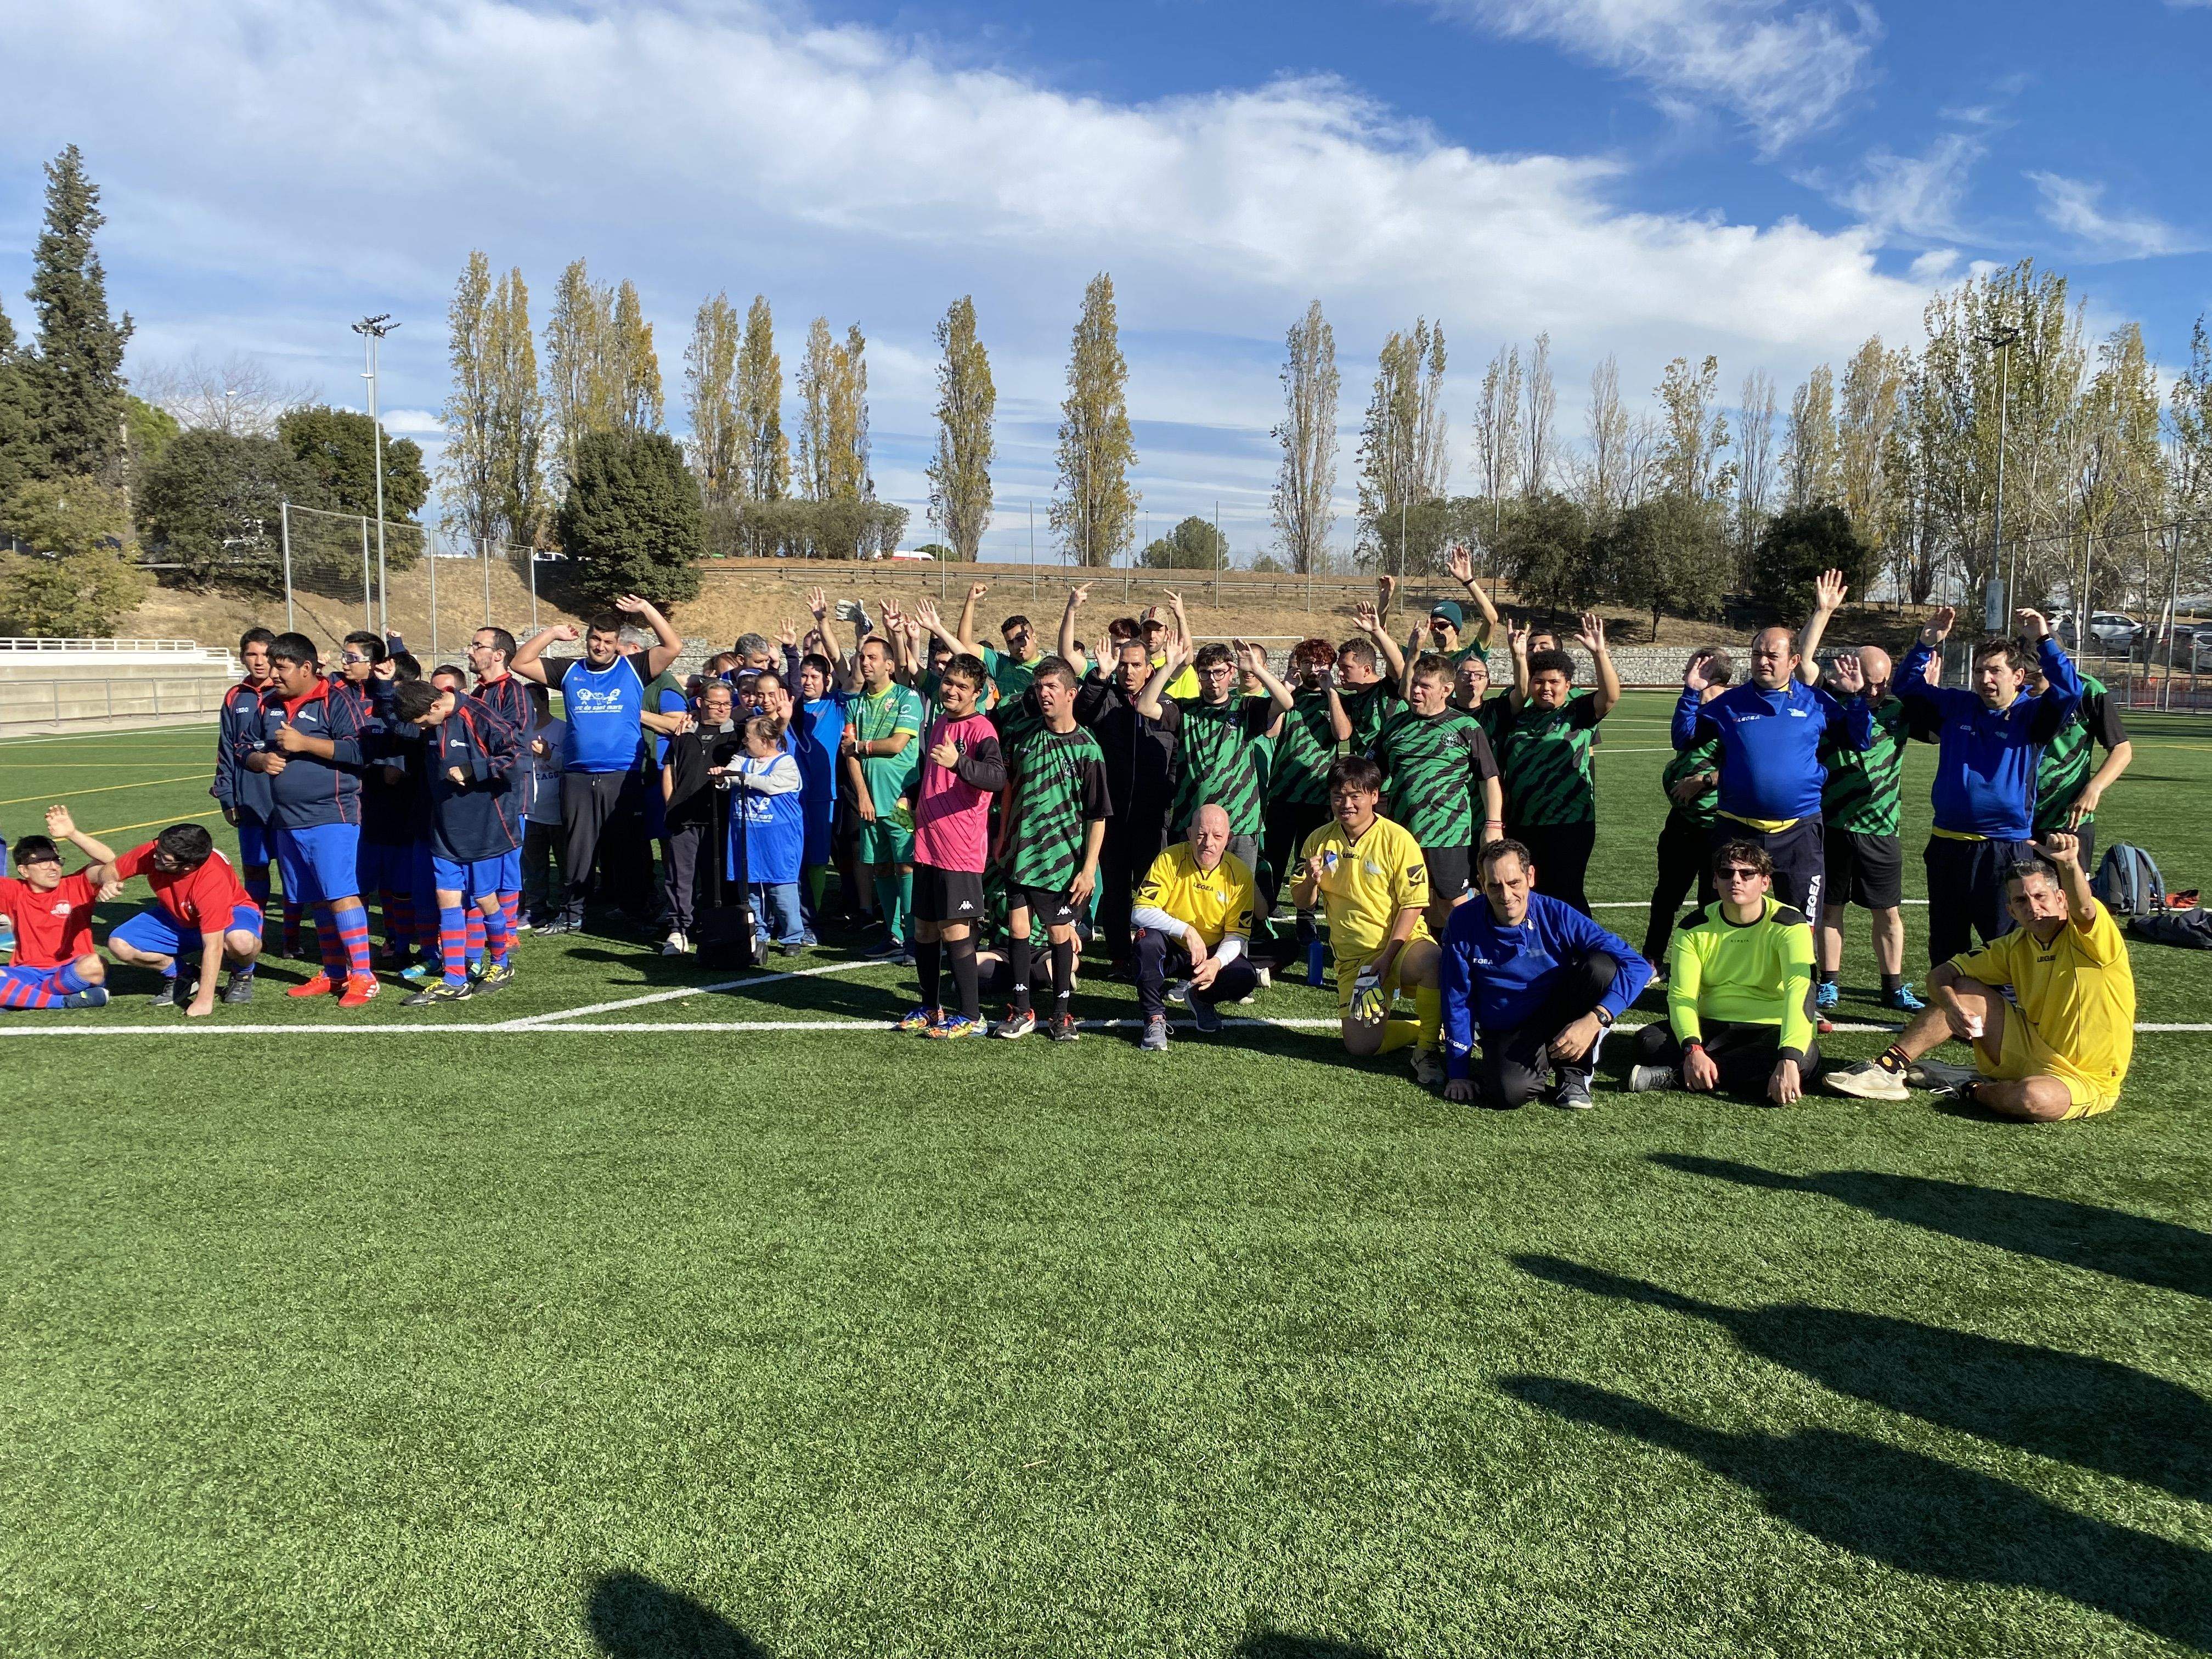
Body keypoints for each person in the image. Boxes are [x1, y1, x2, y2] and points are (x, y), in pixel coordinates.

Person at [1825, 832, 2134, 1120]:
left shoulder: (2089, 936)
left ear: (2061, 899)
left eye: (2041, 896)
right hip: (2028, 1048)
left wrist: (2069, 864)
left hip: (2086, 1077)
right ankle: (1887, 1071)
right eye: (2021, 901)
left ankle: (1970, 1086)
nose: (2033, 908)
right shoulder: (2014, 946)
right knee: (1961, 990)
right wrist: (1952, 1007)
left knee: (2034, 1099)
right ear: (2011, 912)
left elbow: (2086, 909)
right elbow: (1941, 975)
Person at [1894, 605, 2083, 966]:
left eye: (1995, 670)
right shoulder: (1957, 705)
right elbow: (1906, 686)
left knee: (2008, 945)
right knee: (1947, 946)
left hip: (2004, 850)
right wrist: (1925, 643)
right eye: (1979, 671)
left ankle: (2012, 1016)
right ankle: (1950, 1016)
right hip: (1947, 845)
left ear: (2019, 676)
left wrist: (2043, 639)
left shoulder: (2032, 715)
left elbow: (2070, 690)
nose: (1986, 679)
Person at [1671, 603, 1873, 918]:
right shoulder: (1729, 703)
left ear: (1793, 661)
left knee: (1801, 929)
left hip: (1799, 833)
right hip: (1737, 831)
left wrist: (1858, 699)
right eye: (1756, 655)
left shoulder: (1816, 702)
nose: (1763, 662)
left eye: (1772, 656)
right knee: (1728, 922)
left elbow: (1860, 739)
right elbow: (1683, 739)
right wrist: (1691, 693)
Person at [510, 594, 684, 936]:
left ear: (618, 644)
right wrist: (553, 633)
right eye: (595, 639)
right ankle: (572, 913)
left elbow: (673, 645)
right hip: (577, 775)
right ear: (588, 638)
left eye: (608, 641)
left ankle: (635, 911)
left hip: (624, 775)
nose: (600, 646)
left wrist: (646, 609)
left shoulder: (634, 668)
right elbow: (520, 662)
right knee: (578, 848)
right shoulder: (570, 670)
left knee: (628, 849)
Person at [1440, 838, 1650, 1110]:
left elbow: (1638, 965)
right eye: (1494, 885)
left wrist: (1595, 1019)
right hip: (1507, 1030)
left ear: (1530, 877)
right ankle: (1538, 1061)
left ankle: (1575, 1071)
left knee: (1602, 966)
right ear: (1481, 883)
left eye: (1514, 883)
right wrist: (1458, 1072)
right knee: (1508, 1093)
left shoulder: (1557, 914)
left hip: (1559, 1015)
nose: (1506, 895)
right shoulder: (1463, 921)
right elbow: (1457, 996)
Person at [1289, 757, 1446, 1082]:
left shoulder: (1399, 839)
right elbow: (1302, 902)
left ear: (1374, 795)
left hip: (1401, 946)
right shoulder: (1317, 840)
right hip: (1354, 961)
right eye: (1337, 796)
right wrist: (1310, 881)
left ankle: (1428, 1049)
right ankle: (1424, 1028)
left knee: (1434, 961)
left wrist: (1389, 956)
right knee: (1361, 1047)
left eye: (1355, 796)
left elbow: (1414, 903)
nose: (1345, 805)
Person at [1629, 841, 1819, 1107]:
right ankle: (1732, 1072)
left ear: (1765, 882)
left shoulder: (1789, 923)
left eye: (1747, 874)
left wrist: (1789, 1058)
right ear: (1715, 882)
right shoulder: (1694, 927)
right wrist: (1693, 1048)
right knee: (1649, 1041)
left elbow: (1801, 993)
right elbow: (1682, 996)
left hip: (1771, 1027)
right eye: (1727, 874)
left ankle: (1675, 1076)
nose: (1736, 881)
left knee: (1803, 1058)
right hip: (1713, 1025)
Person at [246, 631, 379, 1005]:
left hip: (332, 815)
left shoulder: (336, 700)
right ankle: (336, 973)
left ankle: (364, 976)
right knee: (317, 898)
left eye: (282, 667)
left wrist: (306, 744)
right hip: (287, 819)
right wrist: (260, 760)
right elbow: (246, 747)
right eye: (272, 666)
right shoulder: (269, 704)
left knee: (340, 894)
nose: (273, 674)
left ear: (307, 668)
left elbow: (361, 750)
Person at [990, 657, 1111, 1042]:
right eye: (1039, 687)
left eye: (1052, 688)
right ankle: (1022, 1009)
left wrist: (1089, 868)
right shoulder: (1024, 735)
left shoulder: (1088, 749)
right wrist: (1001, 838)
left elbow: (1097, 816)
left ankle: (1061, 1014)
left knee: (1060, 934)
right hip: (1019, 853)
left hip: (1060, 862)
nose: (1043, 694)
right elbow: (1008, 787)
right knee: (1018, 928)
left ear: (1071, 694)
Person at [389, 676, 523, 1005]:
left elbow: (518, 757)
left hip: (484, 825)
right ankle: (455, 978)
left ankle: (501, 964)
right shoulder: (431, 718)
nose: (422, 730)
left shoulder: (478, 715)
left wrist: (474, 769)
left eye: (423, 722)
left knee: (484, 897)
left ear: (436, 706)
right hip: (444, 826)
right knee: (446, 897)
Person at [898, 653, 1007, 1039]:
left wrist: (959, 761)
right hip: (928, 844)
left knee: (955, 931)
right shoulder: (941, 721)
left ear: (978, 693)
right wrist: (911, 794)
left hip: (959, 849)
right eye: (948, 682)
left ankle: (971, 1015)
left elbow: (996, 778)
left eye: (962, 686)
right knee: (925, 929)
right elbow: (933, 773)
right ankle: (931, 1007)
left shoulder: (982, 730)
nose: (952, 690)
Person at [1364, 651, 1502, 936]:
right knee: (1413, 901)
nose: (1416, 690)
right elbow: (1371, 776)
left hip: (1448, 833)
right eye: (1415, 683)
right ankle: (1432, 955)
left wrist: (1493, 824)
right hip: (1403, 835)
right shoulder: (1395, 725)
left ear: (1446, 690)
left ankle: (1471, 954)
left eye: (1425, 686)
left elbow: (1488, 779)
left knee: (1452, 900)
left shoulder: (1466, 728)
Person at [1496, 614, 1621, 914]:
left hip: (1570, 823)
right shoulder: (1516, 714)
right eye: (1539, 682)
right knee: (1526, 894)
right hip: (1522, 822)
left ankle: (1581, 955)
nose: (1546, 688)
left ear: (1568, 684)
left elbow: (1611, 696)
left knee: (1567, 893)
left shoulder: (1578, 712)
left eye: (1554, 682)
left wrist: (1599, 653)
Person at [75, 817, 263, 1013]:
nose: (155, 856)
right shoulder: (159, 850)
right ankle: (184, 974)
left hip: (232, 912)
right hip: (177, 915)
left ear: (187, 867)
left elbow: (213, 946)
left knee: (241, 942)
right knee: (119, 945)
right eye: (158, 850)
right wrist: (109, 882)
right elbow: (112, 869)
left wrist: (204, 1002)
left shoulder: (212, 883)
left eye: (165, 859)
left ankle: (243, 974)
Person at [1139, 637, 1293, 876]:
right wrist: (1170, 666)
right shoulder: (1185, 710)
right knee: (1190, 898)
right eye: (1205, 673)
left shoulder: (1245, 708)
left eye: (1219, 672)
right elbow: (1145, 706)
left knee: (1239, 899)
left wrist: (1257, 669)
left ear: (1232, 672)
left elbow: (1285, 701)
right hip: (1193, 824)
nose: (1212, 680)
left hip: (1239, 823)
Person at [1130, 804, 1260, 1051]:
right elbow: (1140, 910)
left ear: (1229, 839)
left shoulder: (1240, 873)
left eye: (1218, 836)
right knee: (1146, 941)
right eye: (1201, 835)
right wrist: (1186, 931)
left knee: (1245, 976)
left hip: (1208, 954)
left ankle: (1200, 998)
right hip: (1170, 947)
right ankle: (1154, 1018)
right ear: (1189, 834)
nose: (1208, 843)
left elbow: (1237, 935)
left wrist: (1217, 963)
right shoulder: (1170, 858)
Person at [1642, 651, 1731, 970]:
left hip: (1720, 825)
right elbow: (1682, 739)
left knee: (1715, 900)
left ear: (1706, 670)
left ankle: (1711, 966)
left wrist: (1704, 781)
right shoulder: (1696, 705)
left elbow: (1753, 764)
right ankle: (1652, 960)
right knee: (1667, 895)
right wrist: (1691, 693)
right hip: (1682, 822)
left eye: (1692, 666)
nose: (1684, 671)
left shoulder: (1735, 709)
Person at [841, 634, 927, 961]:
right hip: (869, 803)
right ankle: (892, 935)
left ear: (890, 665)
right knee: (882, 868)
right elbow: (846, 754)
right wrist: (862, 796)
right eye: (863, 657)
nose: (866, 662)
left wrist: (861, 747)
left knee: (907, 864)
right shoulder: (855, 703)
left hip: (901, 801)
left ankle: (914, 937)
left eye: (873, 657)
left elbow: (897, 744)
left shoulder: (907, 699)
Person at [1261, 637, 1344, 971]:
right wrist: (1286, 689)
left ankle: (1306, 919)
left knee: (1312, 861)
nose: (1314, 670)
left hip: (1317, 795)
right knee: (1274, 862)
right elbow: (1270, 732)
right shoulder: (1286, 697)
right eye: (1307, 663)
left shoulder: (1334, 700)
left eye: (1320, 663)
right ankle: (1262, 920)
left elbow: (1342, 735)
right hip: (1281, 793)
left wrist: (1332, 694)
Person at [213, 626, 288, 950]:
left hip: (287, 798)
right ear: (242, 657)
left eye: (265, 654)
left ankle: (292, 936)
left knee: (292, 870)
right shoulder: (235, 696)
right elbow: (226, 749)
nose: (259, 662)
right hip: (249, 799)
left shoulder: (288, 691)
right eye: (251, 654)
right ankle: (257, 931)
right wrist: (227, 796)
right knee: (255, 868)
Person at [2027, 653, 2131, 870]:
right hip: (2015, 817)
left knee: (2071, 897)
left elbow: (2122, 749)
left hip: (2067, 819)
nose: (2025, 681)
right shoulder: (2013, 691)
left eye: (2033, 675)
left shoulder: (2088, 691)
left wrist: (2094, 788)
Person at [0, 809, 111, 1009]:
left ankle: (21, 997)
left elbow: (108, 861)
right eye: (41, 862)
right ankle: (63, 1001)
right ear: (24, 870)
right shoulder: (13, 891)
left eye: (55, 860)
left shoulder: (76, 885)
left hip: (73, 969)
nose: (53, 867)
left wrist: (72, 834)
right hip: (27, 971)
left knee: (96, 965)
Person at [660, 680, 741, 954]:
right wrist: (672, 803)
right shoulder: (683, 734)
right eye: (715, 703)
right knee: (679, 877)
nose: (722, 709)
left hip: (721, 818)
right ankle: (678, 930)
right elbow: (669, 770)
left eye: (727, 704)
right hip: (683, 817)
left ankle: (713, 926)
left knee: (717, 876)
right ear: (700, 704)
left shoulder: (738, 736)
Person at [729, 712, 808, 956]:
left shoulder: (786, 763)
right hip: (747, 840)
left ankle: (792, 937)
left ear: (764, 741)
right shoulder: (742, 758)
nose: (744, 743)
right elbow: (728, 775)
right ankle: (758, 934)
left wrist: (742, 778)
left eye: (748, 739)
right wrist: (722, 777)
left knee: (781, 891)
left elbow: (771, 785)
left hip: (779, 842)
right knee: (751, 891)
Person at [520, 684, 566, 927]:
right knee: (533, 866)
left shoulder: (563, 730)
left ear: (542, 703)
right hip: (530, 811)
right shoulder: (520, 732)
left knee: (567, 864)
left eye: (530, 702)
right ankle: (535, 909)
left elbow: (571, 766)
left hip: (559, 812)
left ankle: (568, 910)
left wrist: (548, 755)